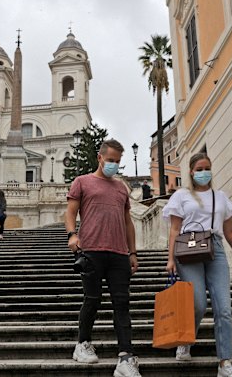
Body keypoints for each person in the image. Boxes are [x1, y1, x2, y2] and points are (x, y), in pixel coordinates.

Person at [162, 153, 232, 377]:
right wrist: (170, 258)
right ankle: (185, 340)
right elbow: (174, 229)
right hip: (188, 246)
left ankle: (225, 363)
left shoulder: (220, 197)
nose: (205, 172)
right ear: (191, 172)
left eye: (208, 168)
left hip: (216, 247)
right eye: (200, 168)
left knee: (224, 308)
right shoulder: (182, 195)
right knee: (199, 304)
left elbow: (230, 231)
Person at [65, 139, 142, 377]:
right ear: (100, 158)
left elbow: (128, 222)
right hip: (91, 251)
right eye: (111, 161)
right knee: (92, 299)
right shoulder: (82, 182)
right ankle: (83, 344)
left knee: (122, 304)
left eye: (118, 162)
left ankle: (126, 358)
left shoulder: (121, 188)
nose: (114, 165)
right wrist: (72, 235)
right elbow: (70, 212)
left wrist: (133, 252)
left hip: (119, 254)